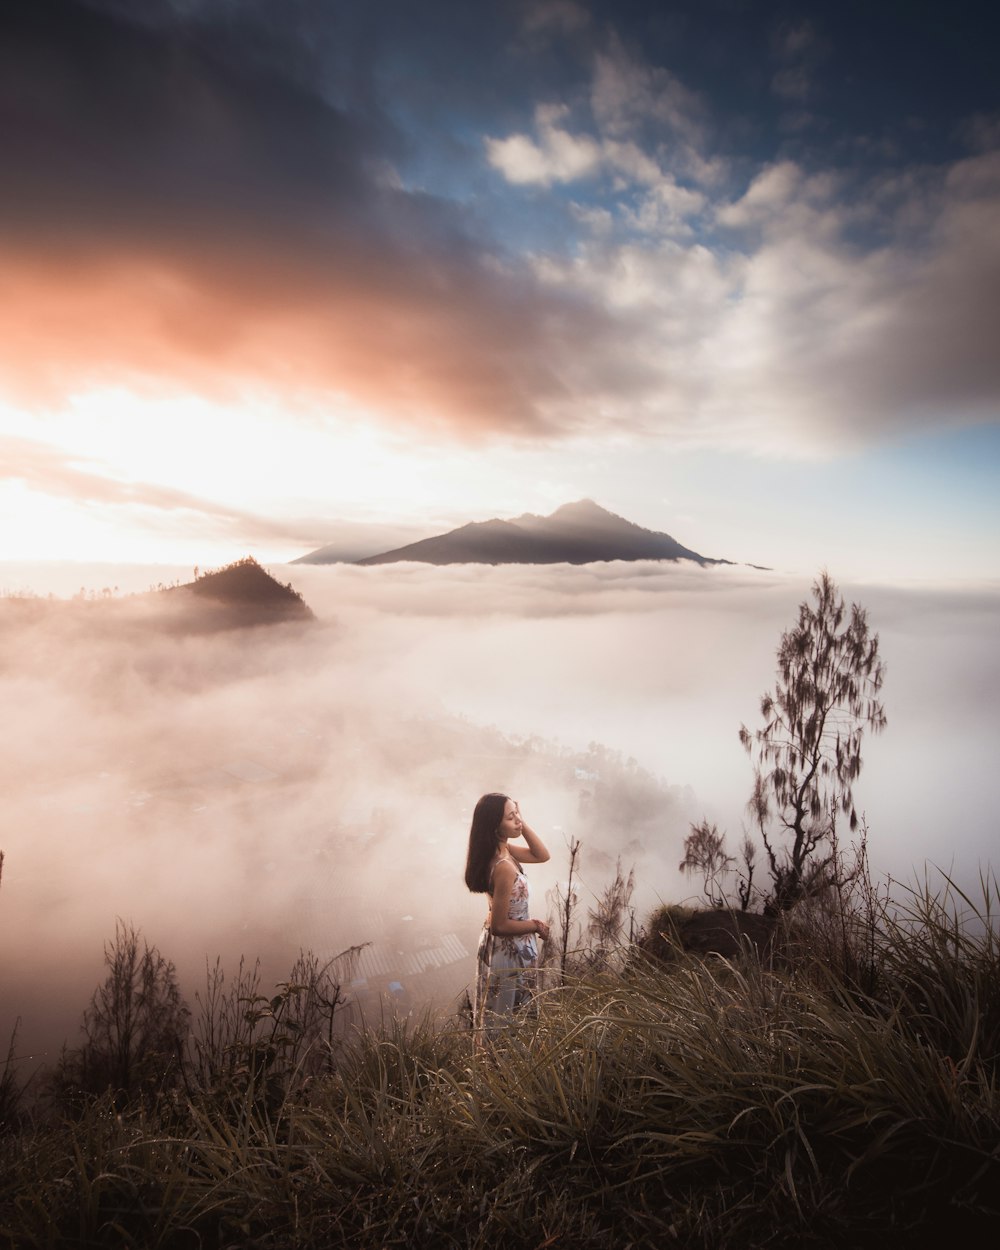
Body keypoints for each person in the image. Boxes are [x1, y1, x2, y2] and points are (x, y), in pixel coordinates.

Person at [464, 792, 550, 1037]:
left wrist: (521, 824)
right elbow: (499, 926)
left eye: (517, 814)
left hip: (506, 946)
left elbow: (542, 855)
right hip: (508, 949)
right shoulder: (503, 866)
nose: (517, 821)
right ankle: (505, 1069)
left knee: (503, 1016)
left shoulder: (504, 851)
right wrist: (535, 926)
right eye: (511, 817)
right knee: (507, 1021)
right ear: (494, 825)